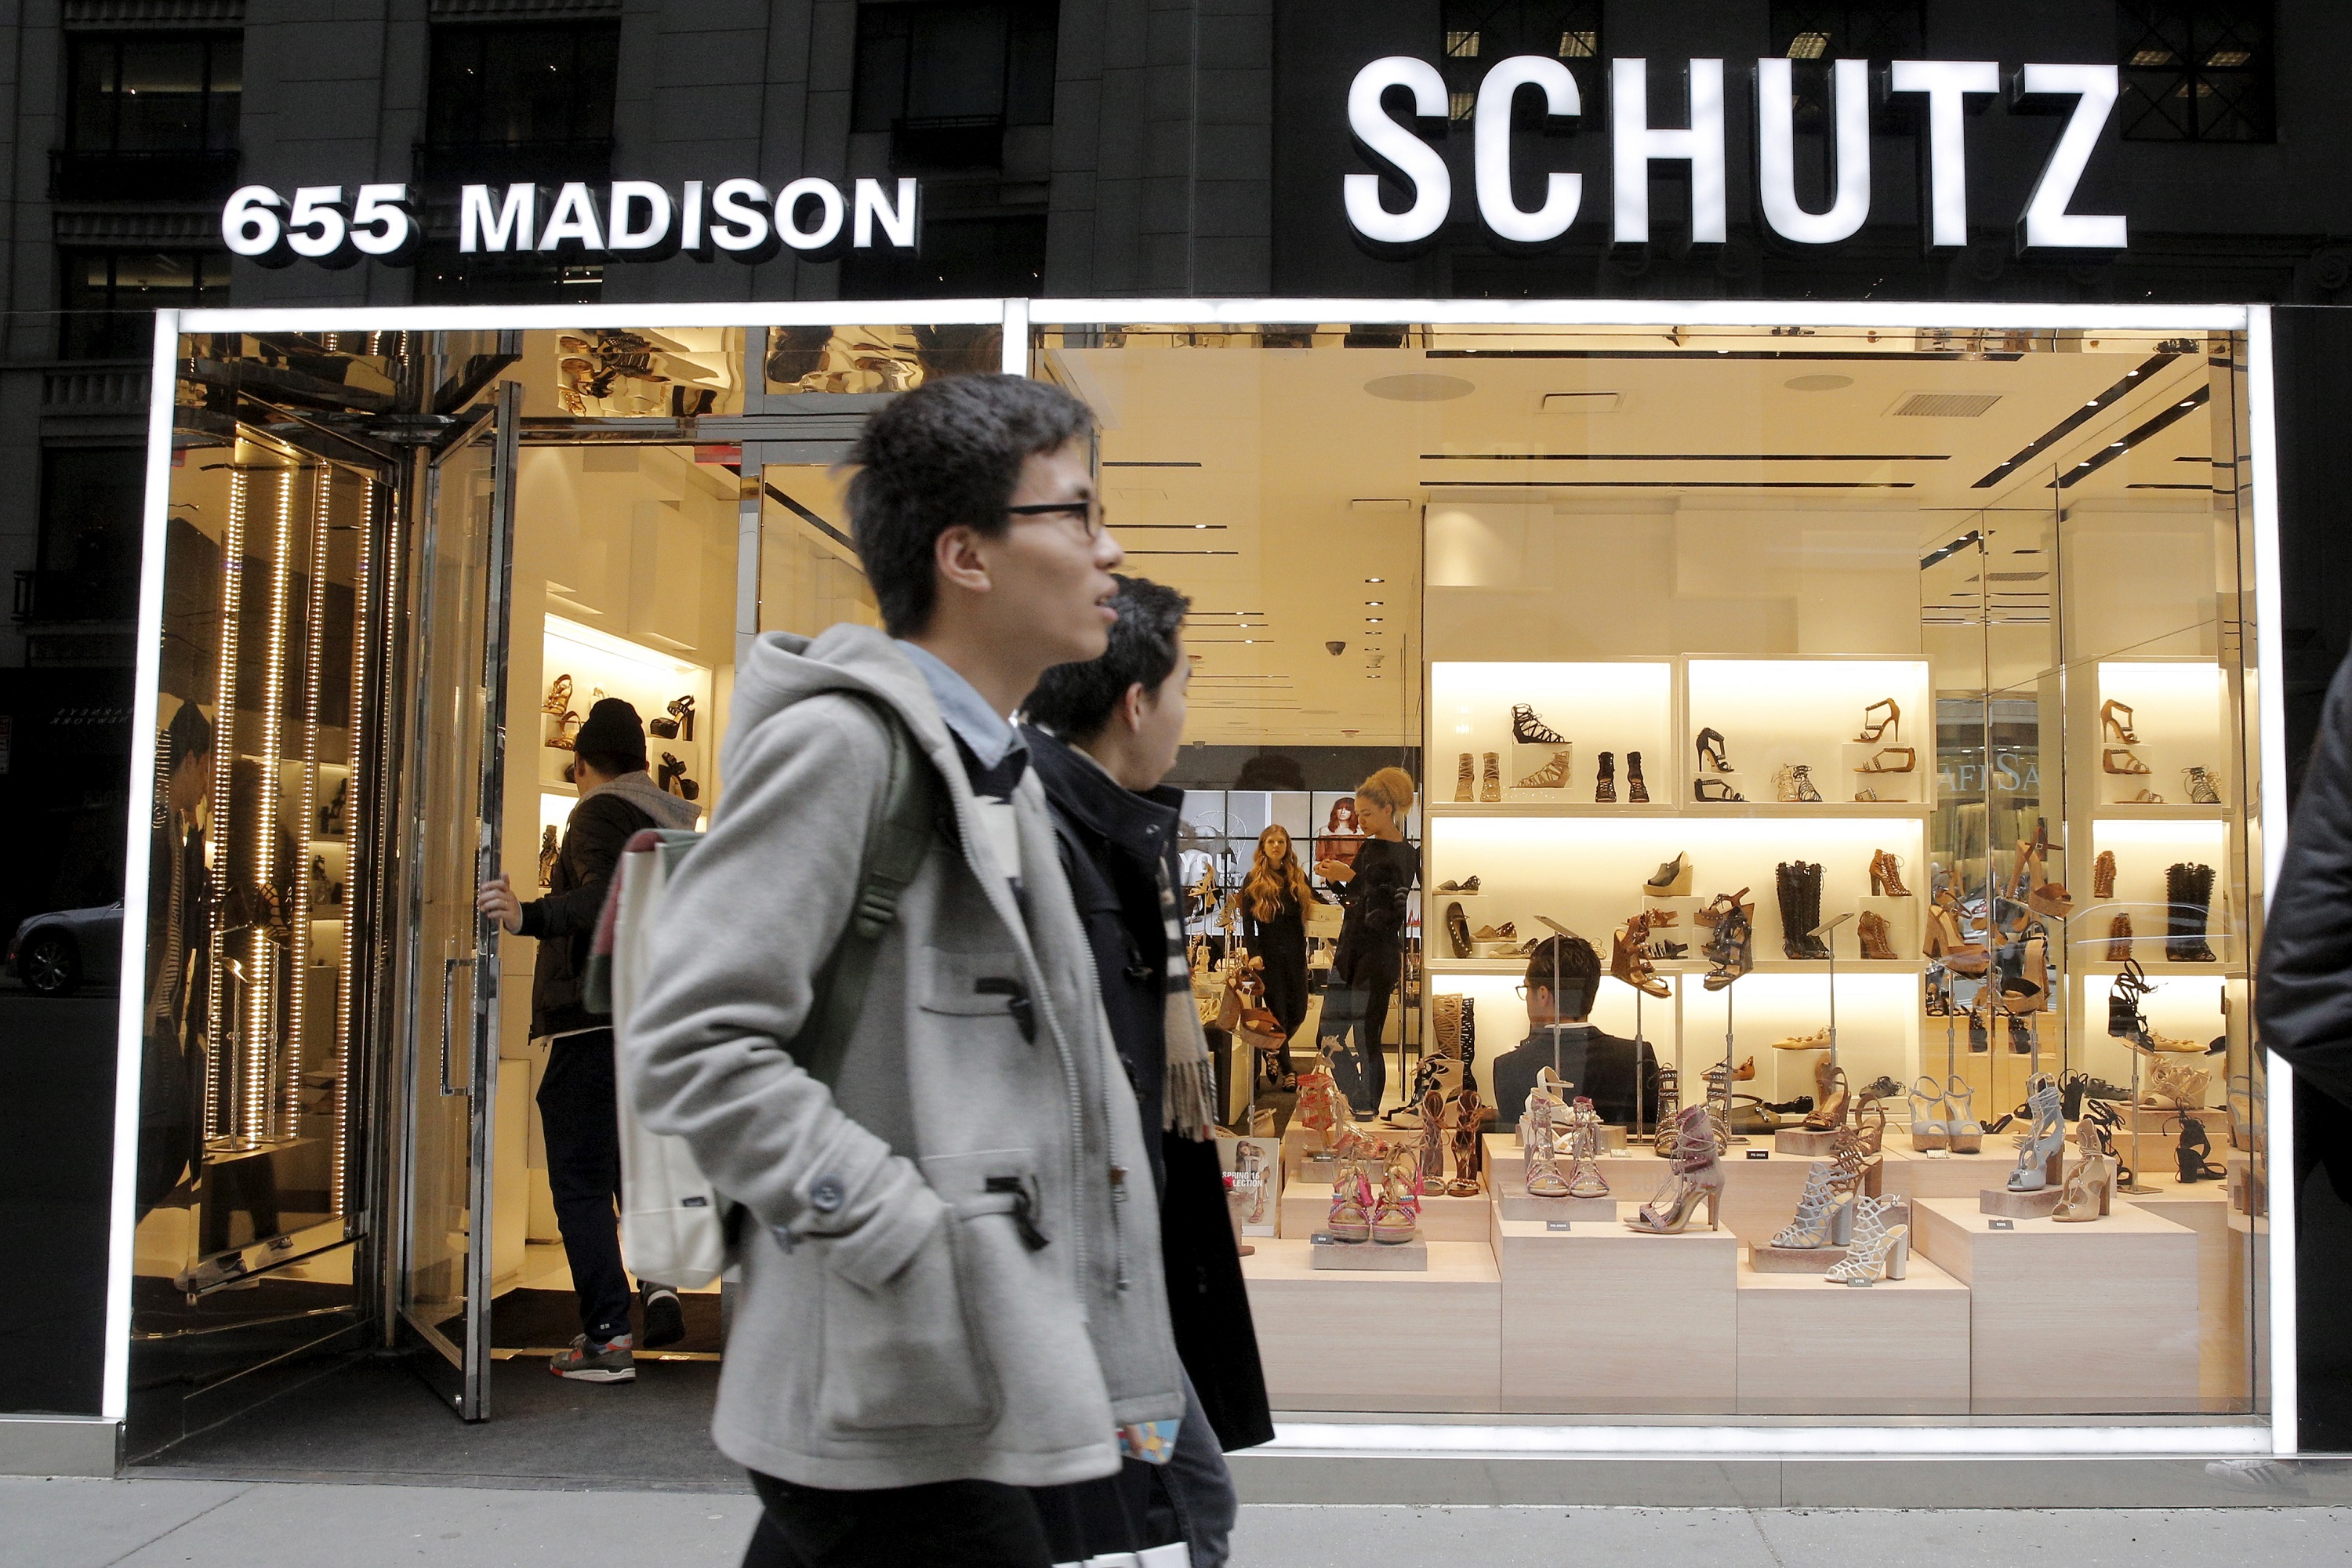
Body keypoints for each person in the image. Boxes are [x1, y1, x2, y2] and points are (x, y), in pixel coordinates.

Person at [625, 374, 1189, 1568]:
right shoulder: (845, 751)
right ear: (965, 555)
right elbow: (689, 1043)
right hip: (882, 1377)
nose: (1110, 550)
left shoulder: (996, 772)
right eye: (1075, 515)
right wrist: (904, 1237)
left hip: (942, 1369)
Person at [1022, 574, 1273, 1568]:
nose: (1184, 713)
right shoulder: (1055, 841)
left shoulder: (1101, 832)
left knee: (1189, 1503)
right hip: (1083, 1276)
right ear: (1135, 703)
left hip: (1114, 1268)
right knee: (1178, 1508)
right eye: (1183, 688)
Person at [478, 696, 701, 1382]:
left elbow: (608, 898)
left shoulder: (596, 813)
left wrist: (530, 915)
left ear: (580, 764)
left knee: (579, 1178)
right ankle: (657, 1286)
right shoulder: (667, 820)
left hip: (593, 1019)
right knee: (631, 1162)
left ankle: (607, 1336)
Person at [138, 701, 214, 1219]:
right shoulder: (156, 827)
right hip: (153, 1015)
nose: (207, 785)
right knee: (167, 1137)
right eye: (205, 769)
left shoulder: (173, 828)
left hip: (161, 1013)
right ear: (189, 760)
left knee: (172, 1135)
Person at [1314, 768, 1416, 1116]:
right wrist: (1336, 880)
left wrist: (1352, 877)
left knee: (1366, 1036)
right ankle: (1356, 1096)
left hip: (1378, 955)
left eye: (1367, 814)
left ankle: (1366, 1104)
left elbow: (1387, 915)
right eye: (1359, 814)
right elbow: (1355, 903)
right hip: (1350, 952)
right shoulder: (1369, 848)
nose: (1360, 821)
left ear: (1388, 810)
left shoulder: (1406, 854)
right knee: (1327, 1035)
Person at [1487, 934, 1663, 1132]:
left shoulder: (1508, 1068)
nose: (1527, 997)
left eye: (1527, 987)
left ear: (1543, 994)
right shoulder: (1637, 1057)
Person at [1232, 825, 1317, 1083]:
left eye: (1281, 842)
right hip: (1268, 954)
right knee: (1278, 1013)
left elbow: (1317, 904)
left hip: (1296, 952)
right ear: (1263, 847)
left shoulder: (1298, 877)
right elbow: (1248, 920)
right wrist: (1253, 953)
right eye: (1271, 842)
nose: (1276, 846)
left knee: (1298, 1013)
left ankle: (1271, 1050)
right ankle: (1289, 1070)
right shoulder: (1254, 879)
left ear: (1287, 846)